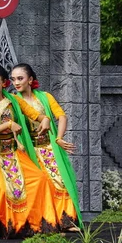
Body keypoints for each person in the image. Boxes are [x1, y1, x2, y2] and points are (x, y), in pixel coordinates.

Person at [0, 64, 61, 240]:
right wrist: (8, 124)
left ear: (4, 84)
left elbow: (34, 114)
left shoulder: (14, 100)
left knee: (40, 179)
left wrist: (45, 119)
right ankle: (5, 227)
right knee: (2, 189)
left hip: (14, 152)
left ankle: (32, 224)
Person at [11, 63, 81, 230]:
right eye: (13, 79)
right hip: (27, 149)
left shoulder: (45, 97)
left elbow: (61, 116)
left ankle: (66, 221)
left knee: (59, 182)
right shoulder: (13, 100)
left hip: (48, 147)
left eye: (20, 78)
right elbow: (9, 123)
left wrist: (58, 138)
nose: (16, 82)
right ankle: (41, 222)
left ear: (30, 79)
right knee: (36, 185)